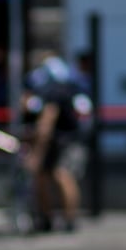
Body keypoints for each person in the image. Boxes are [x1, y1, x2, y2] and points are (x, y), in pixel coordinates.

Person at [21, 54, 90, 232]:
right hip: (68, 138)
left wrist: (36, 153)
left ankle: (60, 219)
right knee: (47, 175)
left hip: (64, 140)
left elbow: (46, 121)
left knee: (60, 174)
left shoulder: (50, 91)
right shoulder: (71, 87)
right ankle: (59, 219)